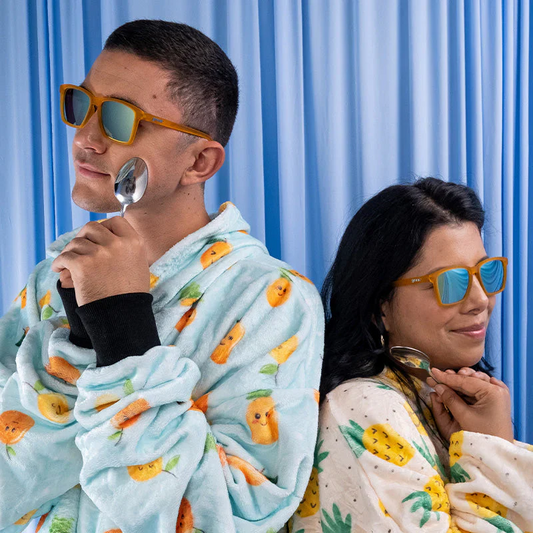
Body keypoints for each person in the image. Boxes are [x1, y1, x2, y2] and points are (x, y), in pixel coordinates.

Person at [0, 20, 323, 532]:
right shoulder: (52, 278)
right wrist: (76, 346)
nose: (85, 139)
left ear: (199, 161)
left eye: (120, 120)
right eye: (83, 106)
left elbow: (228, 518)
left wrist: (122, 334)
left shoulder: (271, 300)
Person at [291, 178, 533, 532]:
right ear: (381, 307)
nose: (481, 300)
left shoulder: (434, 398)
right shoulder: (363, 407)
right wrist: (493, 445)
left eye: (487, 272)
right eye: (450, 282)